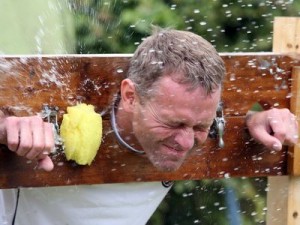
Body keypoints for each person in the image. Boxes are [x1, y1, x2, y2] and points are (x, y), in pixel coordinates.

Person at [0, 28, 298, 225]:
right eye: (173, 123)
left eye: (200, 126)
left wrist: (253, 120)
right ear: (130, 96)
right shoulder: (45, 118)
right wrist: (6, 128)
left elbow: (224, 121)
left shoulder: (204, 124)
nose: (184, 142)